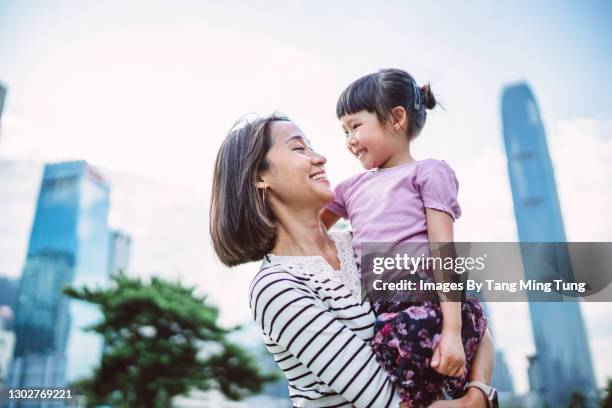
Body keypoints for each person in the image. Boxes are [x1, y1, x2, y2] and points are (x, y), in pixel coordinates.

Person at [210, 113, 494, 407]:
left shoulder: (359, 243)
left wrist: (479, 388)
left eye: (312, 146)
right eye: (299, 148)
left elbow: (467, 315)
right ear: (260, 176)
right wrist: (471, 403)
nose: (320, 158)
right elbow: (388, 403)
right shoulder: (277, 288)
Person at [320, 68, 490, 407]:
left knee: (473, 324)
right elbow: (309, 227)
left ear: (396, 118)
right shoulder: (350, 188)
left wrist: (453, 333)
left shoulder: (427, 172)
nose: (349, 140)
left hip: (430, 303)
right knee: (387, 348)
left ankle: (468, 396)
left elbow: (444, 253)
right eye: (344, 131)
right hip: (384, 312)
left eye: (355, 126)